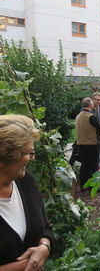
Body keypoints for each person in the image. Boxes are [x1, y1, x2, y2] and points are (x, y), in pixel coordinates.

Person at [0, 115, 53, 270]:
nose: (32, 158)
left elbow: (45, 228)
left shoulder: (25, 181)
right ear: (3, 159)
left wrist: (44, 247)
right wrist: (26, 265)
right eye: (28, 153)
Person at [76, 97, 100, 191]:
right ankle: (94, 187)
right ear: (91, 105)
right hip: (92, 144)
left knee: (84, 165)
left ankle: (83, 186)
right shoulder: (91, 116)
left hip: (80, 144)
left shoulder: (78, 116)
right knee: (94, 166)